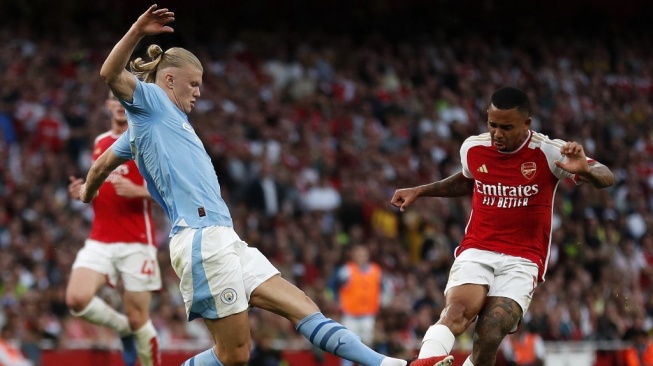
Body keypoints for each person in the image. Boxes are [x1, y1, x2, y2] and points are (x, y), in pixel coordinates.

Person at [80, 5, 413, 366]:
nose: (199, 93)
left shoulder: (149, 127)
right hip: (200, 238)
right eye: (194, 84)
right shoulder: (152, 102)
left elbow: (100, 165)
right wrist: (138, 30)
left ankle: (386, 364)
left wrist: (87, 192)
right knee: (235, 356)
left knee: (303, 307)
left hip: (226, 237)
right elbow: (109, 72)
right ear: (170, 79)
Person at [391, 86, 615, 366]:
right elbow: (468, 179)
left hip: (523, 258)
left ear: (526, 124)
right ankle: (425, 363)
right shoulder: (473, 147)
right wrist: (421, 190)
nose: (497, 133)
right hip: (478, 248)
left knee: (489, 333)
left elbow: (607, 177)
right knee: (455, 312)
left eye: (506, 127)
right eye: (492, 124)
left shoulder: (548, 152)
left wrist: (586, 171)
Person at [67, 92, 161, 366]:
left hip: (136, 241)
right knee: (76, 299)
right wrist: (84, 190)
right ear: (107, 104)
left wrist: (139, 191)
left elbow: (172, 190)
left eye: (124, 98)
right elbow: (99, 186)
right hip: (100, 238)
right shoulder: (100, 142)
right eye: (113, 99)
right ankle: (123, 329)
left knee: (139, 319)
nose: (119, 104)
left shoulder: (147, 138)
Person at [332, 244, 384, 366]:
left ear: (368, 256)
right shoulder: (346, 270)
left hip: (368, 314)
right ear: (353, 256)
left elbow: (383, 289)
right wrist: (336, 302)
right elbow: (334, 286)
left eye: (363, 254)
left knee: (366, 345)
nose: (361, 257)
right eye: (358, 254)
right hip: (350, 314)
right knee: (346, 345)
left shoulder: (376, 270)